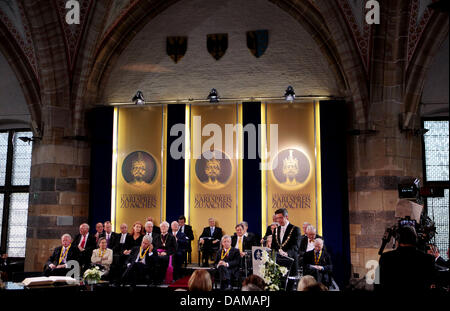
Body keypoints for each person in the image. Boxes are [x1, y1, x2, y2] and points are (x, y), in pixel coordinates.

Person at [379, 226, 436, 292]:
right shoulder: (428, 259)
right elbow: (431, 282)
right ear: (415, 239)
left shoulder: (385, 257)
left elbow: (378, 281)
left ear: (398, 240)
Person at [271, 208, 301, 274]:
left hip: (291, 262)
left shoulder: (295, 229)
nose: (278, 220)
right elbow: (273, 245)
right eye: (277, 218)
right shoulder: (276, 229)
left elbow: (296, 246)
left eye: (281, 218)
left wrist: (287, 253)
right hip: (278, 262)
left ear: (286, 217)